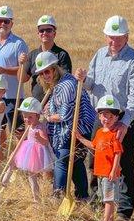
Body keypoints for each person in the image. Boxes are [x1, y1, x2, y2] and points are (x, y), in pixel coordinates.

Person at [75, 15, 134, 221]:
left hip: (122, 117)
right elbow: (92, 85)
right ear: (105, 35)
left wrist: (126, 122)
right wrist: (83, 79)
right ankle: (99, 200)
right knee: (97, 158)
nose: (113, 41)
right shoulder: (99, 55)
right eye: (110, 37)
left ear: (127, 36)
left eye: (118, 37)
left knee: (123, 162)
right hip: (101, 116)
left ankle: (123, 209)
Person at [35, 51, 96, 200]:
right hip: (68, 129)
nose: (45, 75)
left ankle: (57, 194)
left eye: (47, 71)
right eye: (42, 73)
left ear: (55, 69)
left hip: (78, 128)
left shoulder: (66, 85)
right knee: (75, 163)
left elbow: (64, 115)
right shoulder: (57, 84)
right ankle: (82, 196)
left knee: (62, 159)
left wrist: (47, 117)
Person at [76, 95, 123, 221]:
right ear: (99, 116)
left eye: (111, 117)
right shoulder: (99, 132)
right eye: (104, 116)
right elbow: (93, 145)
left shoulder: (115, 135)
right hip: (100, 173)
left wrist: (114, 170)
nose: (107, 119)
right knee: (105, 198)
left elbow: (117, 153)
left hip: (109, 174)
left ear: (116, 118)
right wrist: (80, 138)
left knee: (109, 199)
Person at [0, 5, 28, 140]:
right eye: (0, 21)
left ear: (12, 23)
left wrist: (4, 70)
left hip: (14, 95)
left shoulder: (19, 43)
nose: (3, 24)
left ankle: (19, 159)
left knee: (17, 131)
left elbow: (23, 70)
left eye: (6, 21)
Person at [2, 97, 54, 203]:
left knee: (32, 176)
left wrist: (38, 137)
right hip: (26, 149)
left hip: (35, 153)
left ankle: (36, 198)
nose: (27, 120)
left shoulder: (40, 127)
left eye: (30, 117)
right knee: (12, 164)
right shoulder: (29, 125)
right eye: (25, 117)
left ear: (37, 116)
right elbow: (26, 138)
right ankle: (3, 182)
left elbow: (45, 142)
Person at [19, 15, 72, 102]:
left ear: (54, 33)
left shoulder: (62, 55)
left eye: (49, 30)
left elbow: (66, 80)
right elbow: (22, 79)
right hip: (37, 105)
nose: (45, 33)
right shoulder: (32, 54)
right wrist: (21, 64)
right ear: (38, 34)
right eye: (41, 30)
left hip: (56, 103)